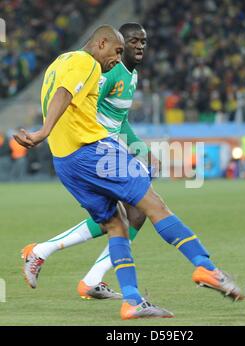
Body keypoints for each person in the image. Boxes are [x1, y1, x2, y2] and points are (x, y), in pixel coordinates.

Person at [15, 25, 243, 320]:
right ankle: (206, 267)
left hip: (66, 162)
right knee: (153, 204)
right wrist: (43, 131)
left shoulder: (61, 61)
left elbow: (72, 99)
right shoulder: (86, 63)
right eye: (118, 50)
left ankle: (132, 300)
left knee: (117, 225)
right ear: (101, 42)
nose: (118, 57)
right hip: (93, 150)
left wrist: (135, 149)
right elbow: (64, 93)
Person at [21, 23, 154, 300]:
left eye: (143, 41)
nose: (139, 46)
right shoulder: (106, 71)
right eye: (132, 41)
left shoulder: (131, 76)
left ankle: (86, 276)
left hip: (111, 147)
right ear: (114, 44)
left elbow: (121, 120)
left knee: (132, 214)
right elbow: (80, 105)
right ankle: (55, 258)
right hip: (97, 149)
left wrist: (140, 148)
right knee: (134, 211)